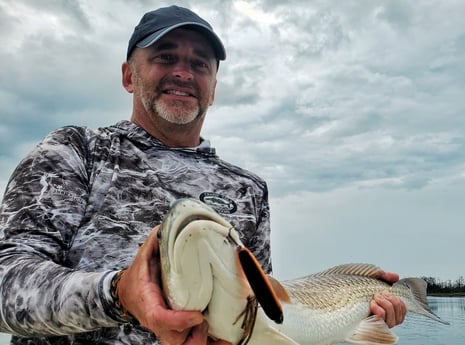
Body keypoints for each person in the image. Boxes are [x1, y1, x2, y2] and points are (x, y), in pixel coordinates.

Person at [0, 5, 406, 345]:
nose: (183, 72)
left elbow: (262, 313)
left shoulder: (248, 189)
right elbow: (7, 282)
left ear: (212, 89)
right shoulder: (75, 151)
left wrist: (361, 320)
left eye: (199, 64)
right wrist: (118, 293)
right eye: (165, 56)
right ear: (128, 75)